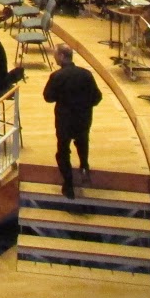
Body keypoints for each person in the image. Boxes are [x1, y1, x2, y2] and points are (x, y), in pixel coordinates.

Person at [42, 44, 102, 198]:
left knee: (63, 151)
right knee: (82, 142)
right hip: (83, 118)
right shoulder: (86, 74)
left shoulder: (57, 76)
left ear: (62, 56)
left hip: (65, 120)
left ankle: (68, 184)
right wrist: (85, 105)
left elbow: (48, 97)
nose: (54, 57)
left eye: (56, 55)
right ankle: (84, 166)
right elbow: (97, 97)